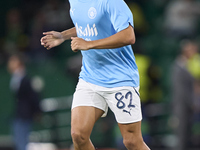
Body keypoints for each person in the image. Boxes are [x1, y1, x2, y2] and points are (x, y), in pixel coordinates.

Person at [40, 0, 150, 149]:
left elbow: (129, 36)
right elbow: (88, 26)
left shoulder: (111, 2)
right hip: (90, 78)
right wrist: (63, 36)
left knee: (132, 141)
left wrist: (89, 44)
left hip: (119, 79)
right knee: (78, 135)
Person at [7, 54, 41, 150]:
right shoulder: (16, 78)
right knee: (18, 141)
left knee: (22, 142)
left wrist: (37, 112)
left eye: (13, 62)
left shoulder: (26, 79)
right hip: (18, 115)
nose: (9, 64)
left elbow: (34, 97)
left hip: (25, 115)